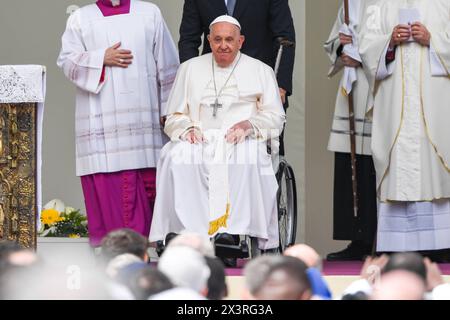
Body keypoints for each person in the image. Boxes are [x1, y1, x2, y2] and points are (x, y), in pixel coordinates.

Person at [149, 16, 285, 252]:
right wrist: (187, 129)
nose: (224, 45)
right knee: (176, 155)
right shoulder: (189, 69)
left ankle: (230, 233)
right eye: (218, 39)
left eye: (229, 39)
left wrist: (249, 125)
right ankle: (185, 232)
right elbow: (173, 116)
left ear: (240, 41)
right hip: (199, 137)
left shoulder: (261, 70)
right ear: (209, 41)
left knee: (248, 156)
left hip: (242, 138)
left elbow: (275, 117)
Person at [57, 0, 179, 246]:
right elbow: (67, 62)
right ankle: (111, 253)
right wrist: (101, 57)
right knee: (109, 187)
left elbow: (168, 64)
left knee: (149, 185)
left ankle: (147, 252)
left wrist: (170, 109)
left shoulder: (150, 13)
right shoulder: (81, 18)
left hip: (143, 120)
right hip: (102, 125)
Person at [359, 0, 450, 259]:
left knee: (433, 163)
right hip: (395, 100)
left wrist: (433, 40)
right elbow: (366, 46)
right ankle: (399, 247)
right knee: (398, 163)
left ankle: (442, 246)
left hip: (435, 101)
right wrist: (388, 42)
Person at [178, 0, 295, 156]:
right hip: (213, 77)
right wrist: (189, 78)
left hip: (256, 81)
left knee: (261, 147)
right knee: (186, 152)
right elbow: (188, 39)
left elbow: (285, 38)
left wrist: (280, 85)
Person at [324, 0, 378, 261]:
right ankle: (358, 239)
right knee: (352, 164)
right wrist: (341, 50)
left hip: (381, 89)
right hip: (354, 91)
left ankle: (384, 239)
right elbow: (332, 42)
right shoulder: (351, 3)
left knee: (377, 166)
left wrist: (362, 54)